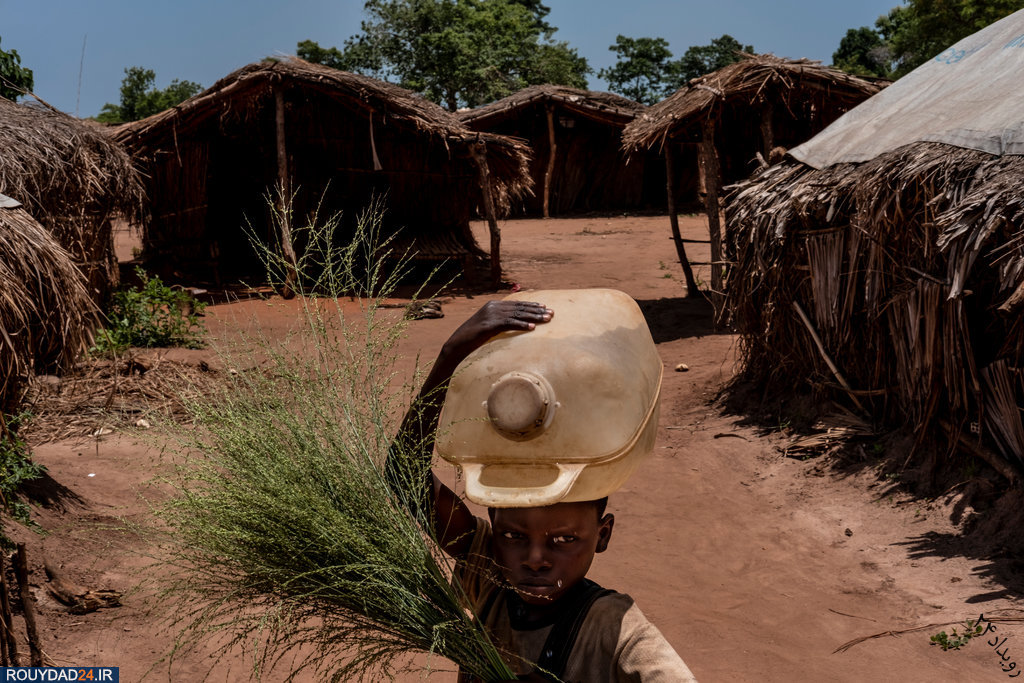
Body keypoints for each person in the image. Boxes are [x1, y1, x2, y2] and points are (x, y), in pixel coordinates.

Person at [390, 299, 698, 682]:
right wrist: (451, 354)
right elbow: (404, 476)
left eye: (564, 539)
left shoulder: (616, 629)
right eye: (512, 536)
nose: (535, 559)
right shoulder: (489, 577)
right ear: (493, 525)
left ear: (603, 535)